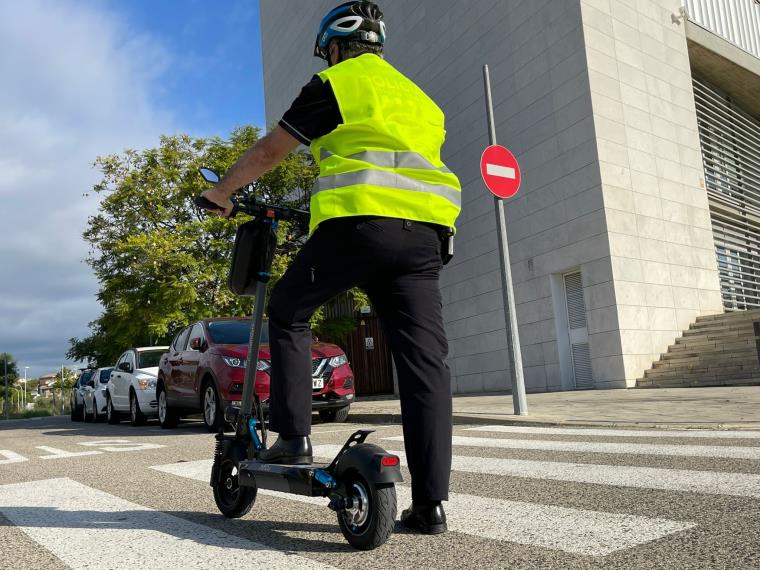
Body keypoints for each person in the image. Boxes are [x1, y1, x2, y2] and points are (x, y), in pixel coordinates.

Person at [199, 1, 461, 535]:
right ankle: (430, 505)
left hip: (360, 225)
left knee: (290, 311)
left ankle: (293, 438)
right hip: (427, 237)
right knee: (424, 365)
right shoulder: (423, 101)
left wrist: (222, 191)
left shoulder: (337, 82)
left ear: (335, 48)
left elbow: (273, 149)